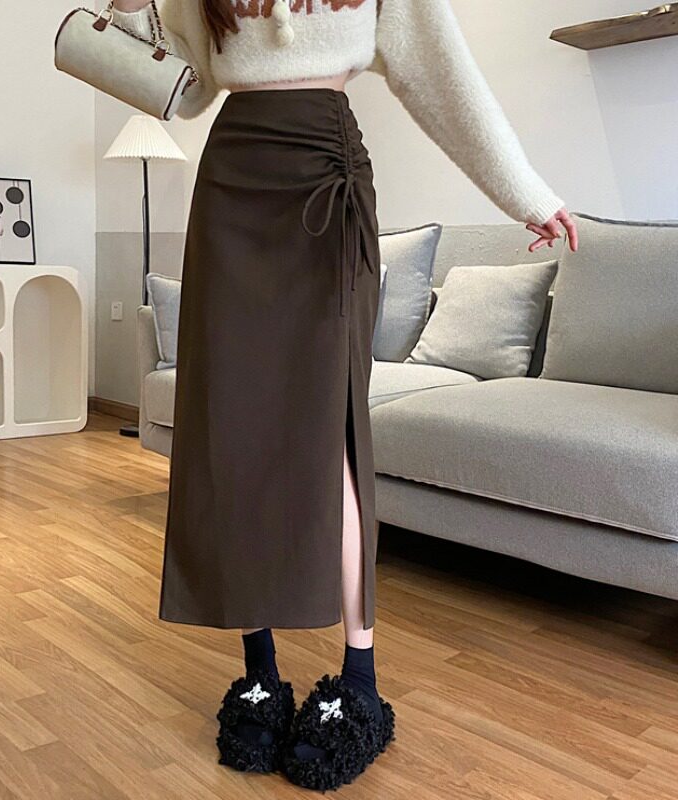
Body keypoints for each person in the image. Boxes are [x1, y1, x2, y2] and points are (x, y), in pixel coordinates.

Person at [113, 0, 578, 790]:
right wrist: (130, 9)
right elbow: (186, 92)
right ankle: (259, 672)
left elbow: (442, 79)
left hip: (323, 183)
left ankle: (358, 683)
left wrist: (525, 193)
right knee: (233, 433)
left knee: (329, 434)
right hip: (232, 184)